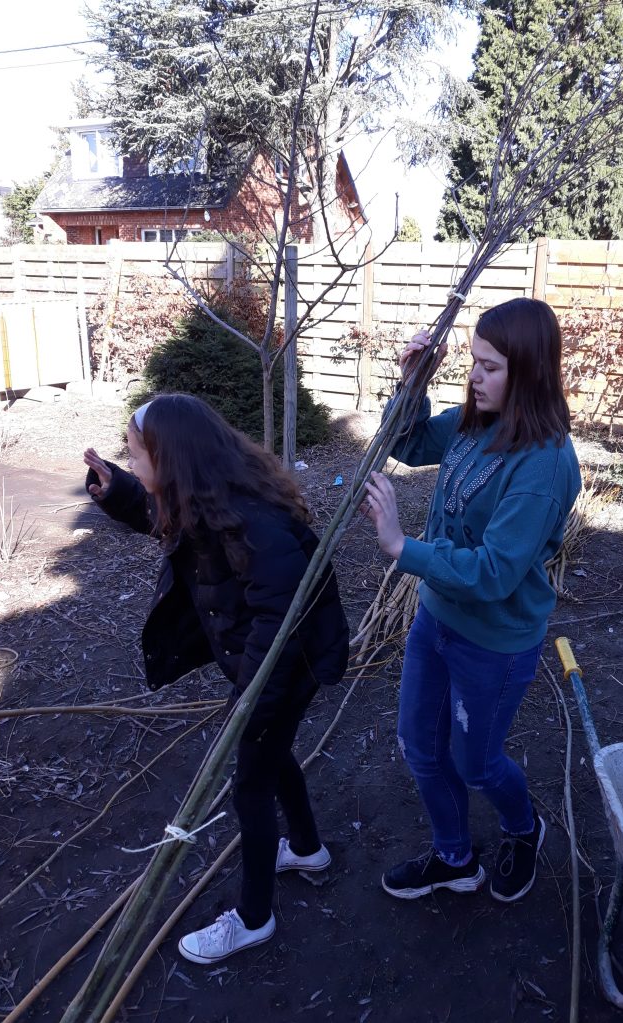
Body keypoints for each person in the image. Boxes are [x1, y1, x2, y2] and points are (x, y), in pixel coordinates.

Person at [83, 393, 348, 963]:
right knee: (272, 755)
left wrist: (247, 705)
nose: (130, 462)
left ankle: (254, 918)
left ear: (172, 459)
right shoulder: (205, 499)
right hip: (266, 664)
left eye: (135, 456)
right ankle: (307, 848)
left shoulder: (256, 525)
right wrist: (120, 491)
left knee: (250, 783)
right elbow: (163, 522)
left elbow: (281, 626)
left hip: (284, 666)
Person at [364, 297, 581, 904]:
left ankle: (524, 827)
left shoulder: (543, 465)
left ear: (528, 371)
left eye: (489, 367)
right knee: (420, 747)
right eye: (472, 362)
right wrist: (413, 383)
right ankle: (454, 858)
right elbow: (407, 443)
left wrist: (401, 546)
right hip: (436, 619)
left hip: (494, 642)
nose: (475, 377)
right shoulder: (480, 422)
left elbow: (495, 573)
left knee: (476, 762)